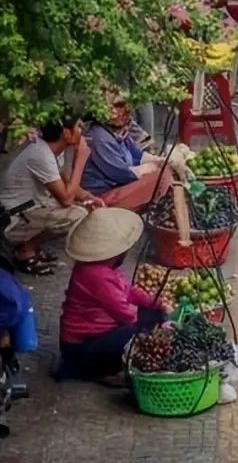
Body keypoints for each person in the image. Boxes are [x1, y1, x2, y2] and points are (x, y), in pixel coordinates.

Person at [57, 208, 167, 386]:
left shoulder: (103, 267)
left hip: (94, 338)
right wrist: (153, 325)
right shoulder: (97, 275)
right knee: (143, 332)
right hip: (81, 348)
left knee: (152, 315)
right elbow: (125, 313)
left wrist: (153, 301)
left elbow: (127, 291)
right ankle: (98, 371)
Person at [0, 116, 103, 276]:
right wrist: (80, 160)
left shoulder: (51, 150)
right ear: (66, 133)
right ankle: (25, 250)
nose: (81, 132)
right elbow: (67, 199)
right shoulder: (41, 155)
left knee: (85, 206)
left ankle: (28, 244)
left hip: (32, 207)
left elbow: (67, 183)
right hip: (11, 220)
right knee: (77, 214)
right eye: (78, 127)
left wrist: (88, 197)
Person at [81, 99, 170, 212]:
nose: (125, 112)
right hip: (100, 196)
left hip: (118, 186)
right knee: (161, 177)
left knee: (165, 169)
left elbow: (137, 155)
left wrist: (161, 161)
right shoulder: (99, 137)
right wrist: (146, 169)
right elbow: (120, 174)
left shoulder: (117, 131)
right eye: (117, 107)